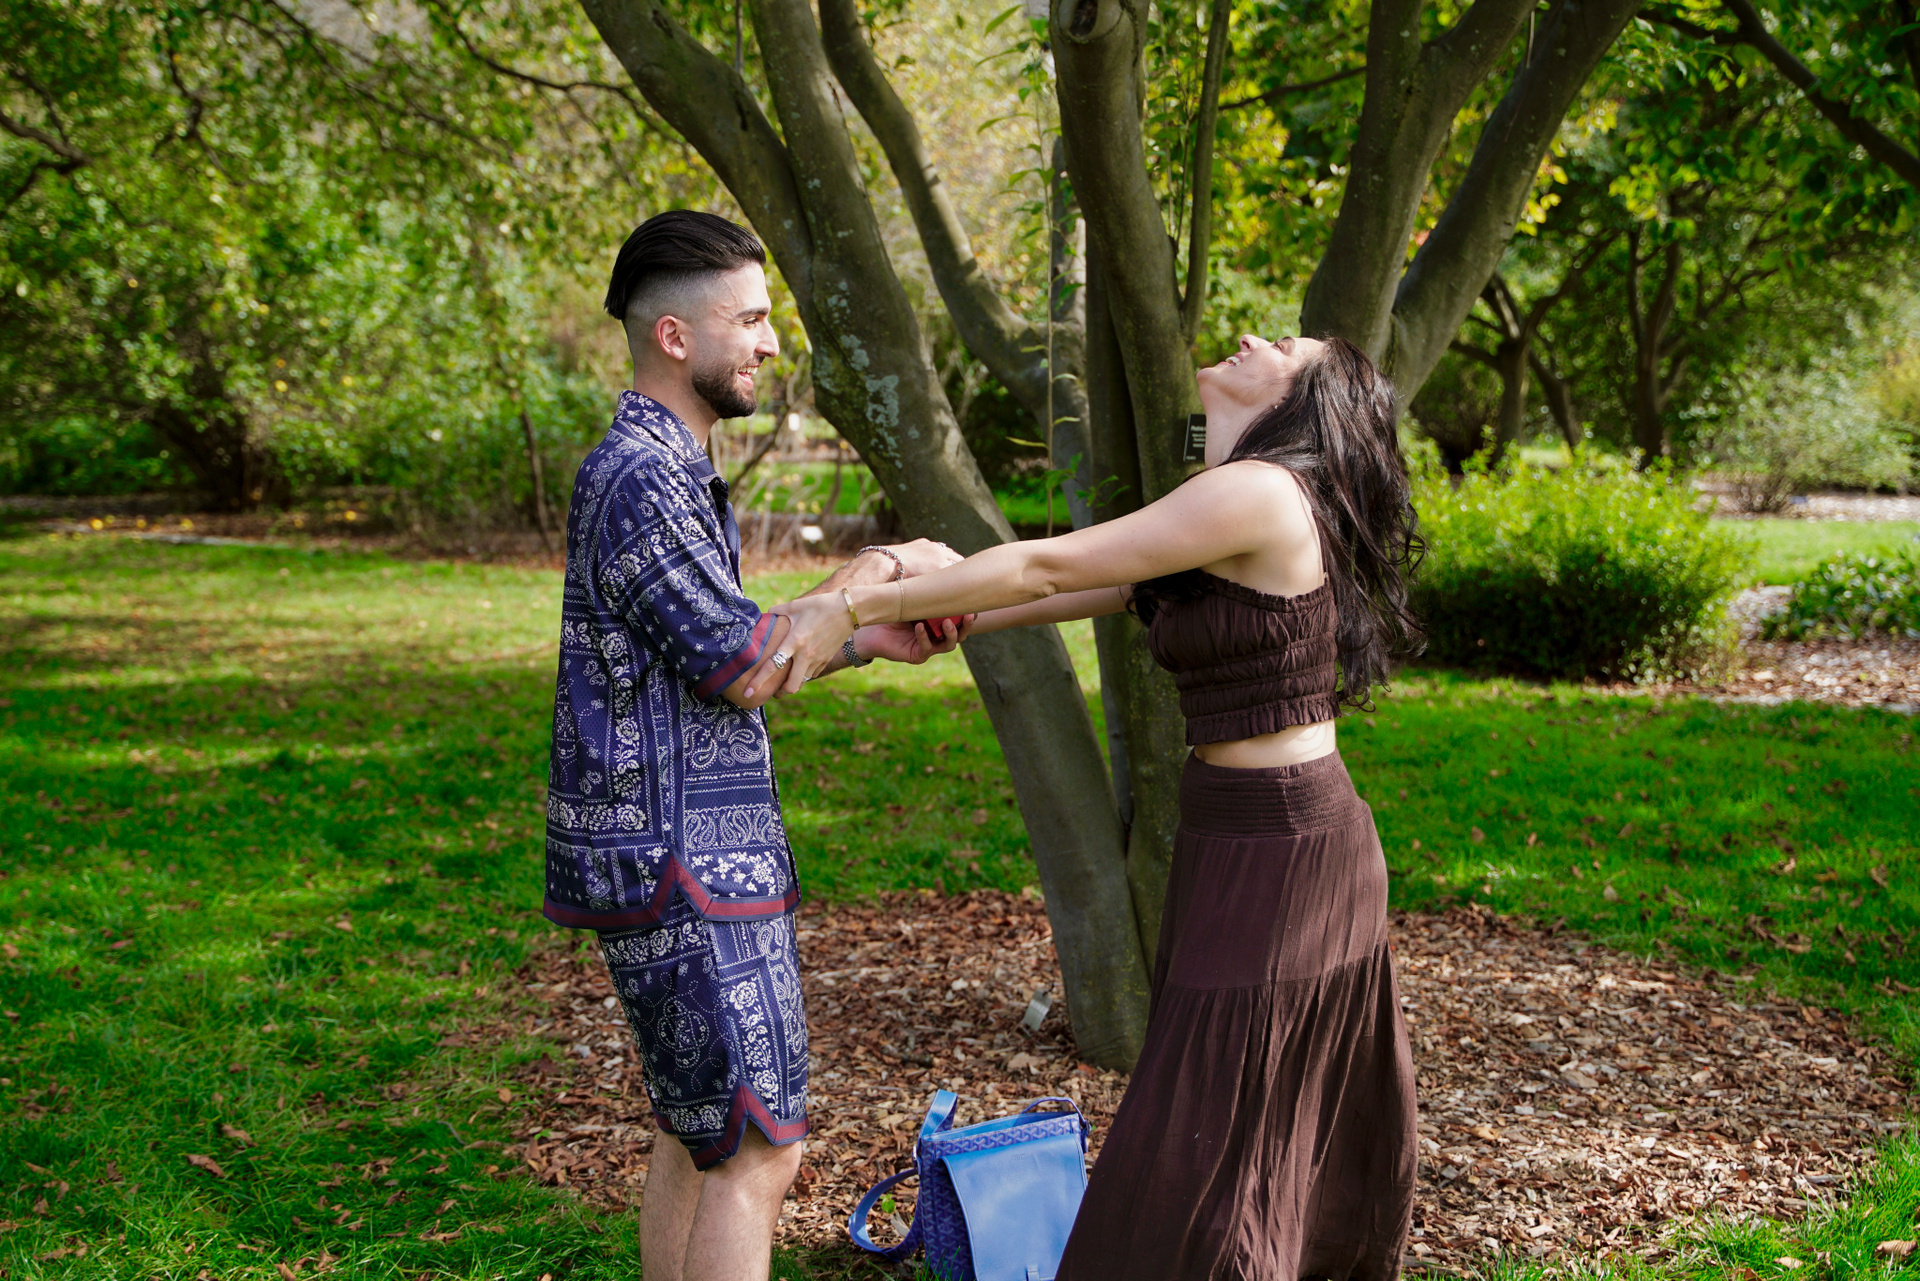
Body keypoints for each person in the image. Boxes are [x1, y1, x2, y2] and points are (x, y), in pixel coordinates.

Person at [761, 334, 1424, 1279]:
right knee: (1223, 1123)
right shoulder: (1231, 502)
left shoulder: (1266, 492)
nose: (1251, 337)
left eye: (1283, 345)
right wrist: (888, 631)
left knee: (1204, 1128)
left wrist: (859, 604)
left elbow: (1045, 566)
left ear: (1306, 401)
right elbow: (1080, 591)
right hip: (1237, 835)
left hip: (1285, 849)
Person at [544, 209, 964, 1281]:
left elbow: (718, 658)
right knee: (758, 1153)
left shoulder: (664, 469)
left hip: (680, 855)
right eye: (751, 319)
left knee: (697, 1137)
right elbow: (740, 664)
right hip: (683, 863)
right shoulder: (642, 478)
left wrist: (862, 639)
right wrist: (874, 573)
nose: (772, 344)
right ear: (675, 336)